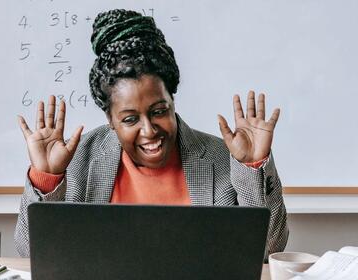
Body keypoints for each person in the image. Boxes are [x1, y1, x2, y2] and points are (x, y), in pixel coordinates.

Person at [15, 9, 288, 258]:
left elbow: (268, 251)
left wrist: (253, 168)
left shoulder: (222, 158)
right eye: (131, 119)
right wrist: (47, 180)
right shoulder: (77, 160)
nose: (148, 130)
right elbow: (31, 254)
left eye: (158, 111)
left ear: (172, 101)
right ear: (110, 119)